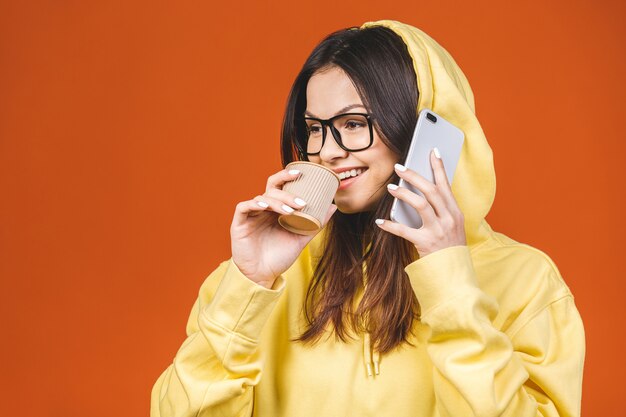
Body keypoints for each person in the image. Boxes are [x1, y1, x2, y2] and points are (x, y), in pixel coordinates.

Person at [150, 20, 585, 417]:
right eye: (315, 128)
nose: (327, 150)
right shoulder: (263, 279)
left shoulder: (527, 281)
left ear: (420, 128)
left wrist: (451, 285)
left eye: (354, 123)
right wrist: (247, 286)